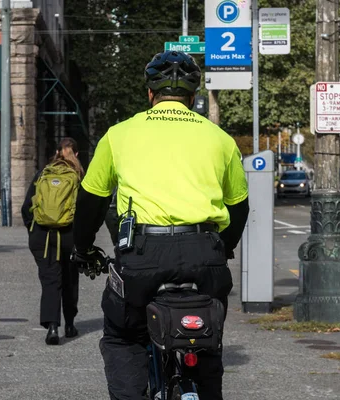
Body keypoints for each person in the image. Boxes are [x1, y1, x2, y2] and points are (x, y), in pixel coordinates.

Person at [70, 51, 250, 400]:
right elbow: (239, 207)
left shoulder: (119, 135)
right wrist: (223, 246)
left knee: (123, 336)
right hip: (204, 253)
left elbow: (91, 201)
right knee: (206, 343)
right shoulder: (220, 139)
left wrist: (84, 249)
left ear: (149, 94)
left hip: (142, 254)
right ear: (193, 97)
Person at [21, 137, 85, 345]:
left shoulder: (43, 174)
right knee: (69, 280)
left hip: (43, 236)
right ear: (76, 155)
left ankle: (52, 327)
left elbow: (26, 208)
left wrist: (33, 230)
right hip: (69, 236)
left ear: (57, 153)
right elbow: (86, 211)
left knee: (50, 281)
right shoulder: (78, 177)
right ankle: (70, 324)